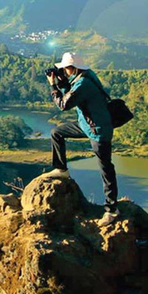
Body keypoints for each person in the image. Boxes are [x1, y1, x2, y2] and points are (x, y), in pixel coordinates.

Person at [44, 52, 119, 226]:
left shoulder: (84, 83)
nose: (64, 71)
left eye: (65, 69)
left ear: (74, 68)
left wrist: (53, 85)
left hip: (99, 130)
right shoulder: (84, 75)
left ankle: (112, 210)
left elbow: (63, 104)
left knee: (105, 168)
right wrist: (62, 81)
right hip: (86, 125)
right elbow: (70, 93)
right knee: (57, 132)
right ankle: (61, 169)